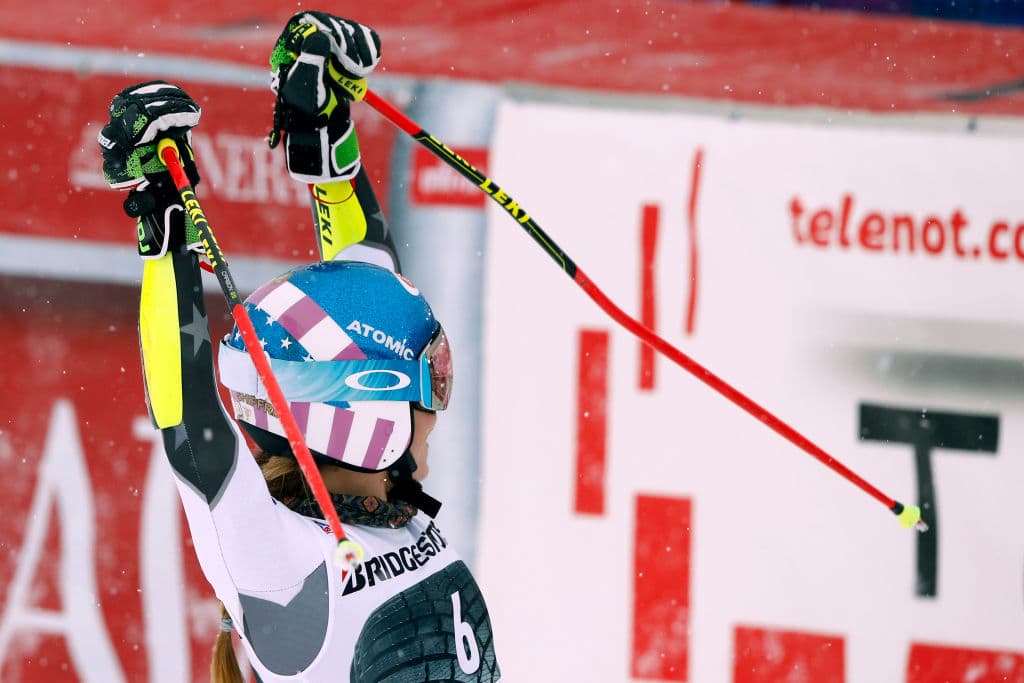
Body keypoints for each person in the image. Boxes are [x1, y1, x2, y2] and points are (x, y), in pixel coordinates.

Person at [98, 12, 501, 682]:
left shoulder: (387, 511)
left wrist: (326, 132)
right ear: (356, 414)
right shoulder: (285, 564)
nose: (438, 408)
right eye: (425, 386)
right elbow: (190, 426)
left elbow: (367, 282)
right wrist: (162, 221)